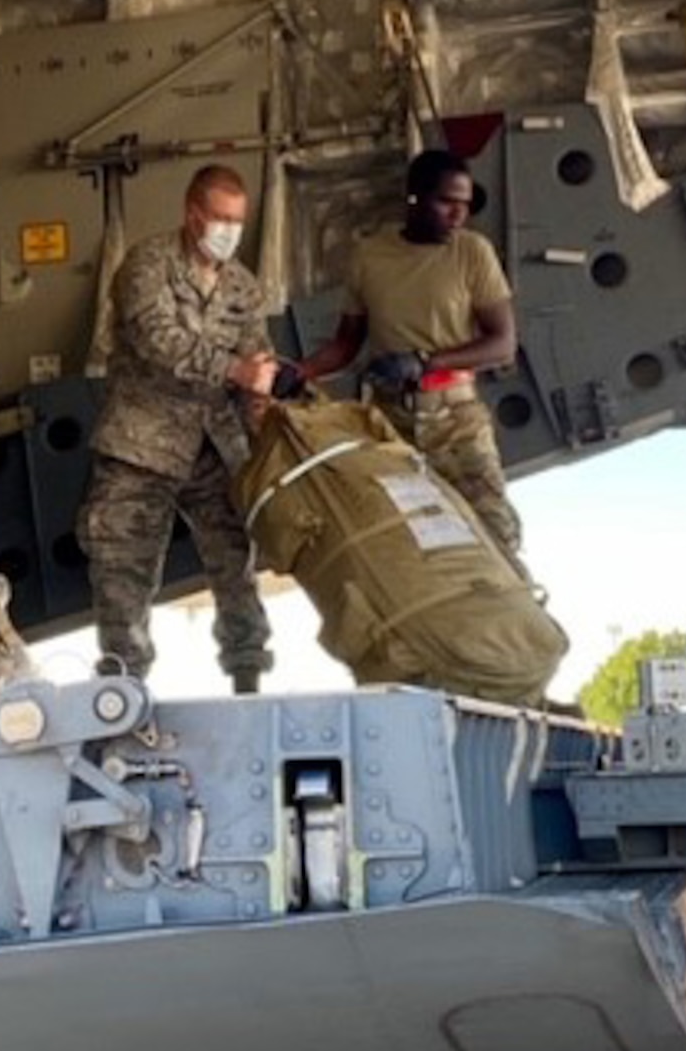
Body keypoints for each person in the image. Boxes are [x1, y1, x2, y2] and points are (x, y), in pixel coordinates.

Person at [79, 164, 278, 694]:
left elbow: (257, 351)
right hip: (141, 444)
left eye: (238, 221)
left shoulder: (242, 286)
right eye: (220, 219)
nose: (230, 231)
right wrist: (235, 370)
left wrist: (260, 394)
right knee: (124, 570)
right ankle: (123, 690)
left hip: (213, 446)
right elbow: (157, 338)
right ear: (193, 215)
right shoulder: (147, 264)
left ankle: (247, 672)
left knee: (236, 562)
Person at [299, 149, 525, 561]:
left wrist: (425, 361)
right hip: (392, 424)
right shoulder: (370, 257)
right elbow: (346, 344)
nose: (458, 215)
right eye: (446, 202)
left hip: (457, 420)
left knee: (498, 538)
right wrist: (299, 372)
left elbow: (503, 343)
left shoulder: (471, 252)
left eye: (465, 204)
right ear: (414, 198)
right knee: (411, 545)